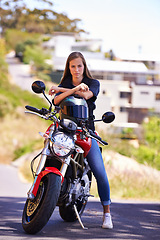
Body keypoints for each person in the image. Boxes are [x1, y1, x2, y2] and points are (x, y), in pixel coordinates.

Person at [49, 52, 113, 229]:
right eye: (72, 66)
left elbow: (86, 96)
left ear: (84, 66)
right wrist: (71, 89)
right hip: (64, 129)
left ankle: (107, 213)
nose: (76, 70)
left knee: (100, 172)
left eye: (79, 66)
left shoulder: (94, 83)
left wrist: (61, 90)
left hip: (85, 131)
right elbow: (56, 100)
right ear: (68, 68)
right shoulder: (66, 83)